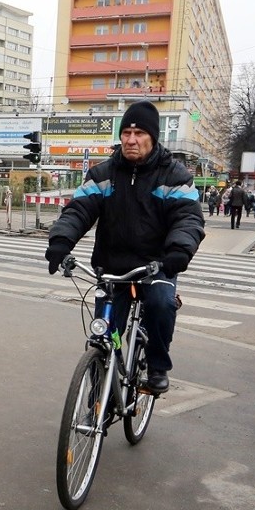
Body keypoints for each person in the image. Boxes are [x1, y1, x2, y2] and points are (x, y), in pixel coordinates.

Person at [44, 100, 204, 394]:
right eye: (126, 133)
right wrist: (61, 242)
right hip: (112, 267)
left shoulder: (174, 176)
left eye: (140, 133)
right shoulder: (103, 174)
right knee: (102, 337)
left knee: (160, 304)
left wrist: (178, 252)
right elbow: (79, 209)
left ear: (153, 137)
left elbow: (187, 218)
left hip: (156, 265)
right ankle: (96, 402)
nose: (131, 140)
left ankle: (157, 366)